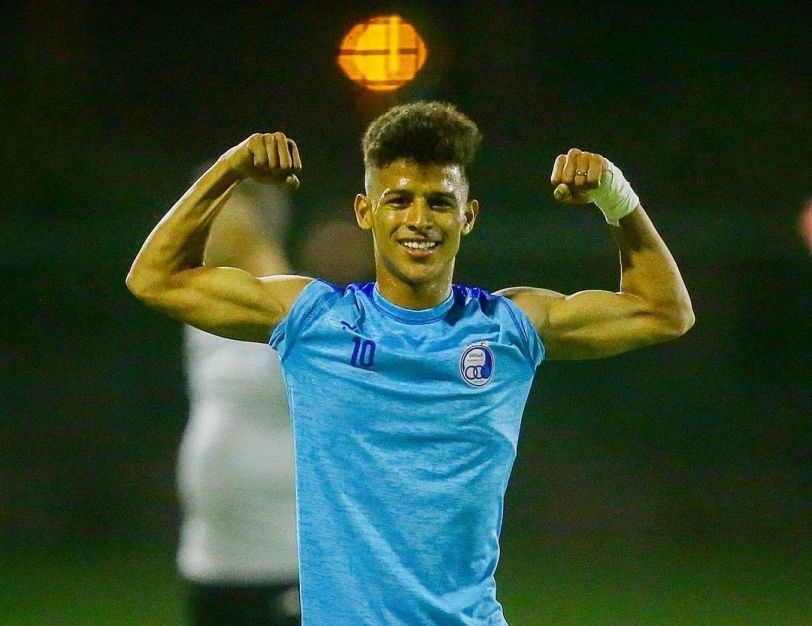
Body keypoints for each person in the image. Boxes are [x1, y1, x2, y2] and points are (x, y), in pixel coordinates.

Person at [127, 101, 694, 625]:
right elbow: (155, 278)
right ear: (366, 212)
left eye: (439, 202)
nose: (419, 219)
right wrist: (229, 171)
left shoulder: (508, 326)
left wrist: (616, 198)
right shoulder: (315, 320)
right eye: (399, 200)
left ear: (468, 216)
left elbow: (663, 312)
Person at [176, 177, 300, 626]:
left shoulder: (294, 308)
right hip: (211, 554)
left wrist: (258, 248)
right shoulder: (203, 308)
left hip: (283, 552)